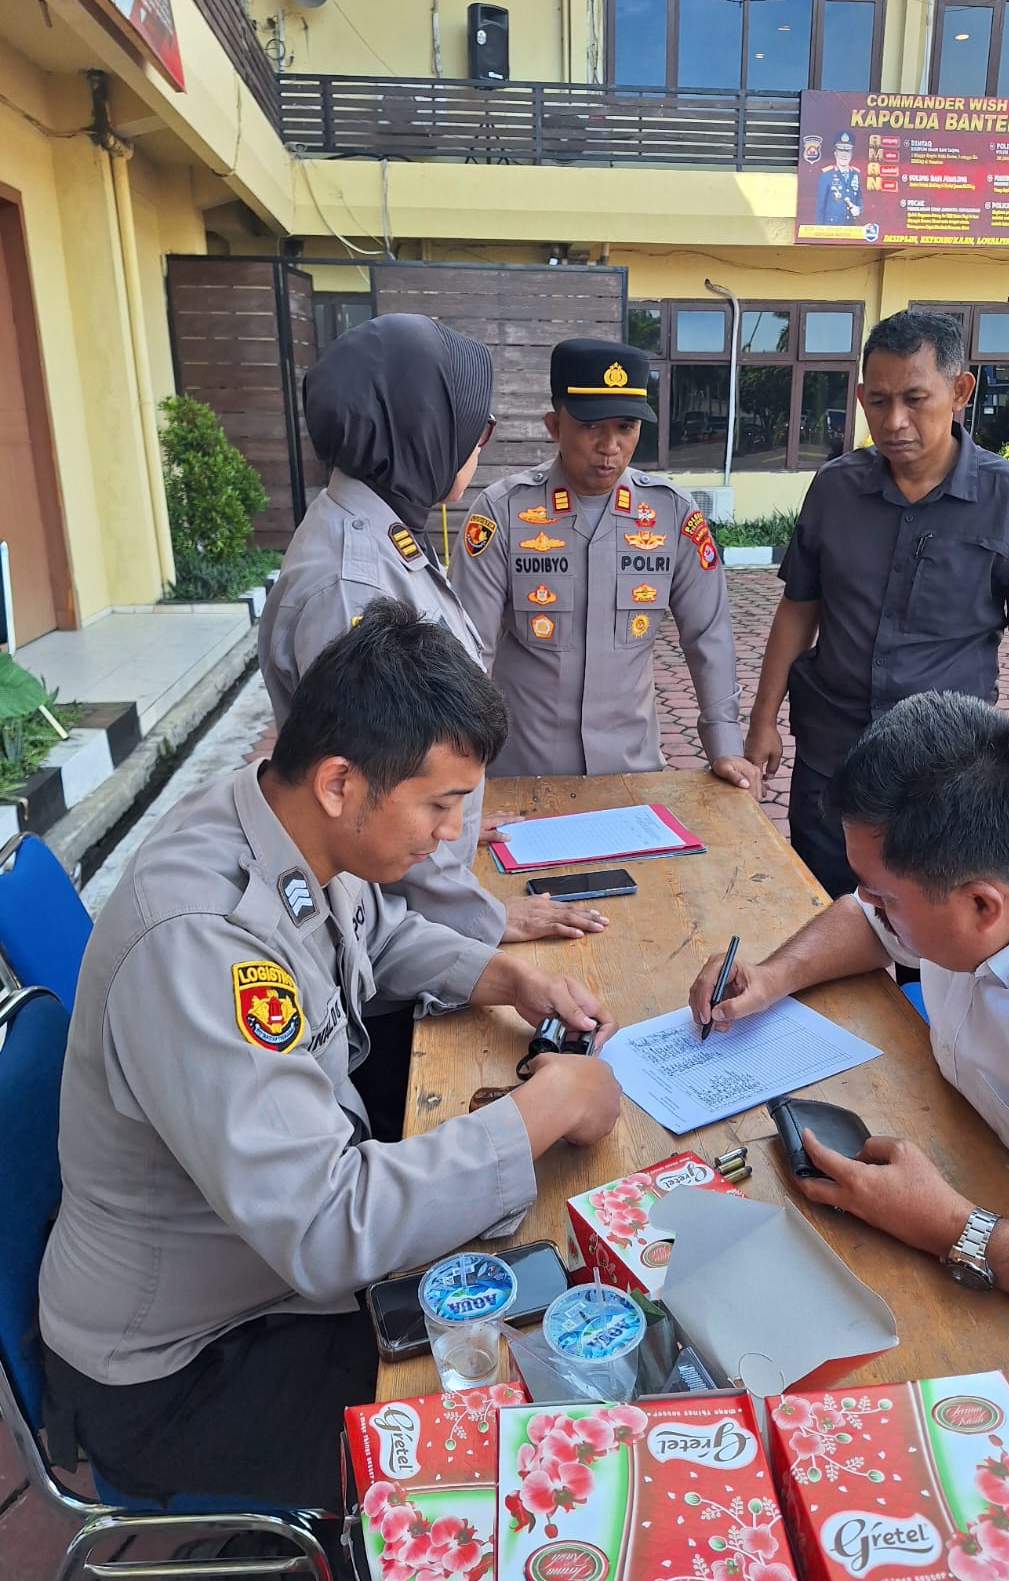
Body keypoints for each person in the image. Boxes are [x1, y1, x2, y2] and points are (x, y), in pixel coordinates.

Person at [39, 600, 623, 1514]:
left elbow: (373, 932)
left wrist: (505, 976)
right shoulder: (201, 942)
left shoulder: (282, 820)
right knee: (490, 1449)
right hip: (183, 1368)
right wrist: (546, 1110)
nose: (449, 833)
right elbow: (323, 1225)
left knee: (513, 1319)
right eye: (438, 804)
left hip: (261, 1279)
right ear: (342, 783)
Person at [690, 690, 1009, 1356]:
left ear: (982, 906)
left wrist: (955, 1227)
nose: (868, 903)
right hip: (980, 1172)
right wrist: (774, 975)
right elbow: (870, 921)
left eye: (883, 894)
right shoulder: (1005, 886)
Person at [747, 309, 1009, 899]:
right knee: (824, 904)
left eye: (915, 399)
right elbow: (798, 608)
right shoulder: (835, 489)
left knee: (935, 928)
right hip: (833, 754)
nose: (893, 421)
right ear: (861, 397)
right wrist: (762, 721)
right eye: (878, 401)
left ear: (960, 391)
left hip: (943, 770)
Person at [259, 313, 605, 949]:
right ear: (421, 428)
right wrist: (485, 918)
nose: (478, 446)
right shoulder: (353, 584)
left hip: (416, 888)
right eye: (474, 429)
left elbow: (410, 763)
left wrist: (454, 820)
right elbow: (374, 800)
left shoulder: (386, 528)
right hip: (396, 925)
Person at [450, 337, 759, 792]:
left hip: (632, 772)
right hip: (523, 772)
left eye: (626, 427)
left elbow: (708, 634)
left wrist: (725, 744)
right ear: (555, 425)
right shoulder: (503, 513)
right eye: (591, 425)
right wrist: (457, 773)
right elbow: (467, 651)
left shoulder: (672, 514)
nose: (610, 446)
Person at [816, 131, 864, 225]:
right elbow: (820, 206)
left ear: (852, 154)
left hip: (850, 225)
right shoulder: (827, 174)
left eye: (847, 151)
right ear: (835, 153)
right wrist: (819, 229)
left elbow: (859, 197)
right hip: (831, 227)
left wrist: (859, 208)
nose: (844, 155)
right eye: (841, 150)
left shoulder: (856, 174)